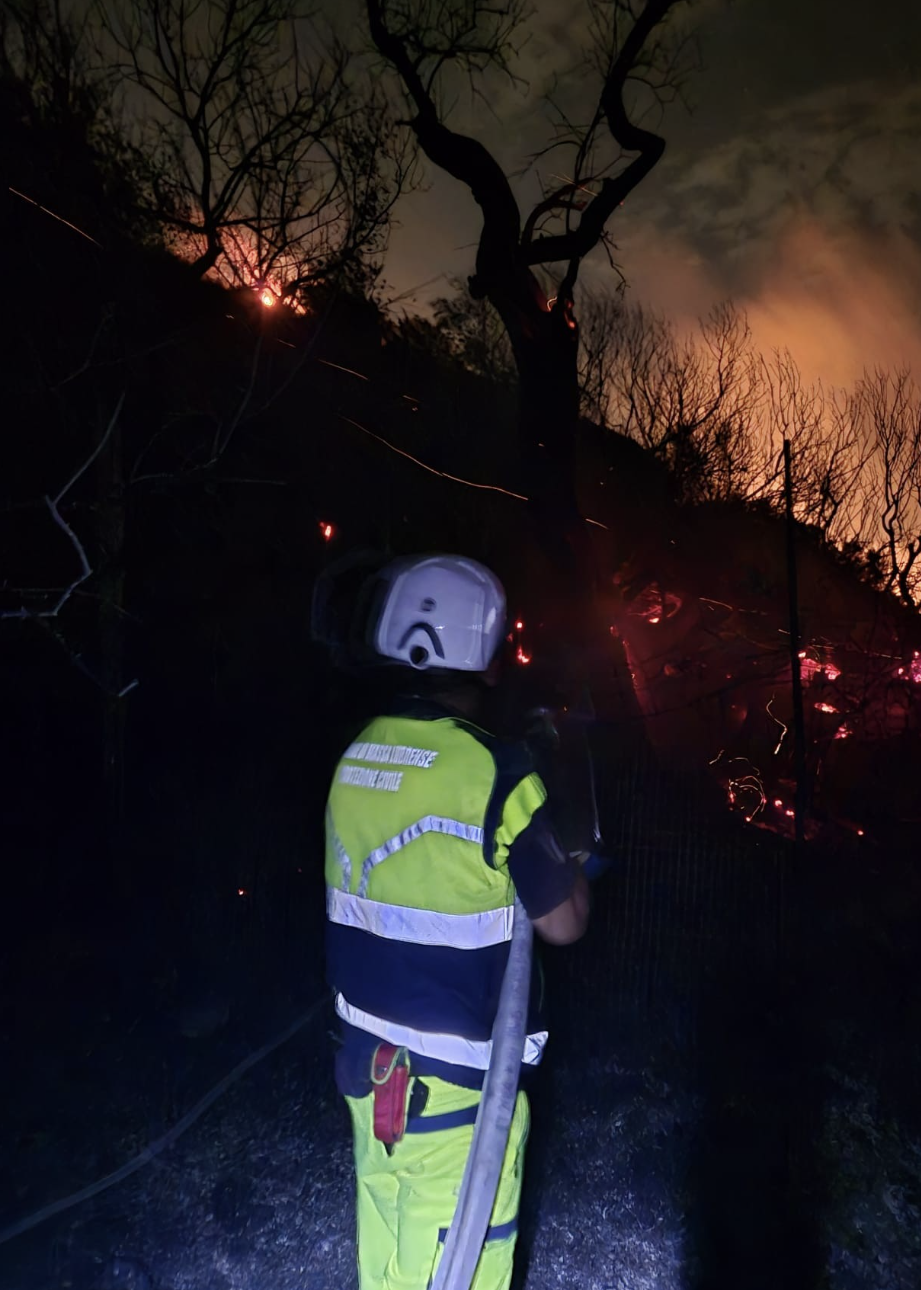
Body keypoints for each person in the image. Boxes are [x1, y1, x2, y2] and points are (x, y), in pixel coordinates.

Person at [324, 553, 590, 1290]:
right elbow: (564, 922)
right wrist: (563, 837)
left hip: (367, 1071)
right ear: (489, 656)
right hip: (459, 1099)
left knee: (388, 1267)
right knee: (461, 1271)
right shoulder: (497, 774)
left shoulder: (355, 757)